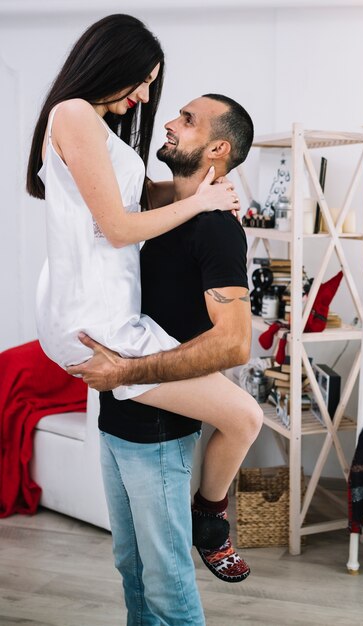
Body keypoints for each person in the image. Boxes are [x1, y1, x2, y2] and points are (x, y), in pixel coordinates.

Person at [27, 13, 262, 622]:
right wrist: (206, 197)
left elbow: (135, 199)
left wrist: (208, 198)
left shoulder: (98, 131)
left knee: (144, 570)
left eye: (169, 101)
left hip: (98, 330)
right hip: (93, 319)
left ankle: (207, 519)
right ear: (116, 61)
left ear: (215, 148)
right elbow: (119, 223)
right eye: (146, 82)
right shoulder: (76, 114)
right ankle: (210, 518)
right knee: (242, 417)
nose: (148, 100)